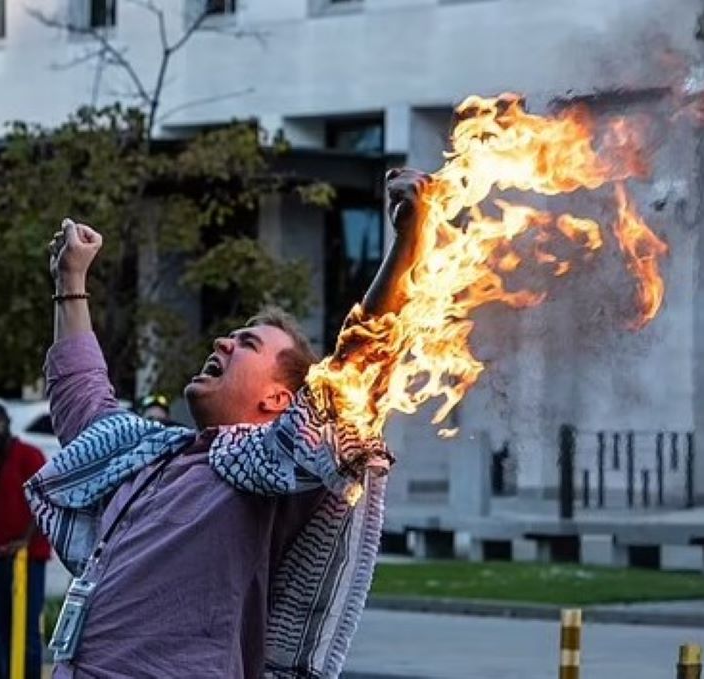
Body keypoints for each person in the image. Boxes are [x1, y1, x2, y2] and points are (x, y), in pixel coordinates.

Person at [25, 168, 428, 678]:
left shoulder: (271, 473)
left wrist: (408, 244)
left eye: (247, 344)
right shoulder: (150, 455)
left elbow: (353, 375)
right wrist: (70, 281)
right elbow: (83, 401)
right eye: (231, 337)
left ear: (278, 399)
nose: (222, 343)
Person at [0, 402, 51, 679]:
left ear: (7, 423)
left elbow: (45, 499)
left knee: (26, 630)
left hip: (27, 556)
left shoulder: (29, 455)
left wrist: (25, 540)